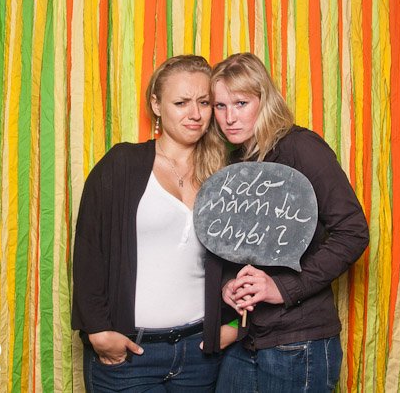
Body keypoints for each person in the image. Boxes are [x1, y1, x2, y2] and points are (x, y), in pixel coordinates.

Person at [72, 55, 235, 392]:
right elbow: (89, 249)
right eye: (181, 102)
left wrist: (234, 325)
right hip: (129, 355)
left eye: (204, 102)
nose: (195, 114)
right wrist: (97, 330)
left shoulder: (223, 173)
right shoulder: (122, 164)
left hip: (200, 353)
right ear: (157, 105)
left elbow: (244, 254)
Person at [210, 53, 369, 393]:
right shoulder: (234, 163)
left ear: (264, 100)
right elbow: (231, 247)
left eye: (240, 103)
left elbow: (353, 232)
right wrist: (228, 286)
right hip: (246, 337)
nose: (229, 118)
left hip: (299, 343)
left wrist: (283, 288)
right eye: (220, 106)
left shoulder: (301, 147)